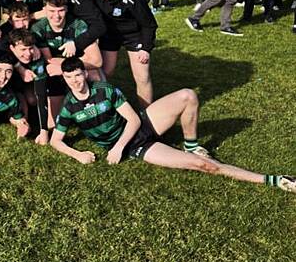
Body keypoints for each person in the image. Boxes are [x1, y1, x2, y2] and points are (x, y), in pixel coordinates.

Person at [50, 57, 296, 194]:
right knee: (204, 166)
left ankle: (191, 145)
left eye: (79, 75)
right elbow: (56, 141)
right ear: (65, 79)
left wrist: (116, 148)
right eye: (70, 77)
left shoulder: (104, 90)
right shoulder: (70, 107)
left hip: (139, 127)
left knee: (188, 95)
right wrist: (78, 154)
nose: (76, 81)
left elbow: (134, 119)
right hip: (137, 147)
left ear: (85, 74)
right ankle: (275, 180)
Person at [89, 0, 158, 108]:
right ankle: (101, 109)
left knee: (142, 76)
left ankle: (147, 117)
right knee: (105, 72)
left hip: (134, 34)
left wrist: (146, 47)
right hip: (109, 34)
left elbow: (149, 24)